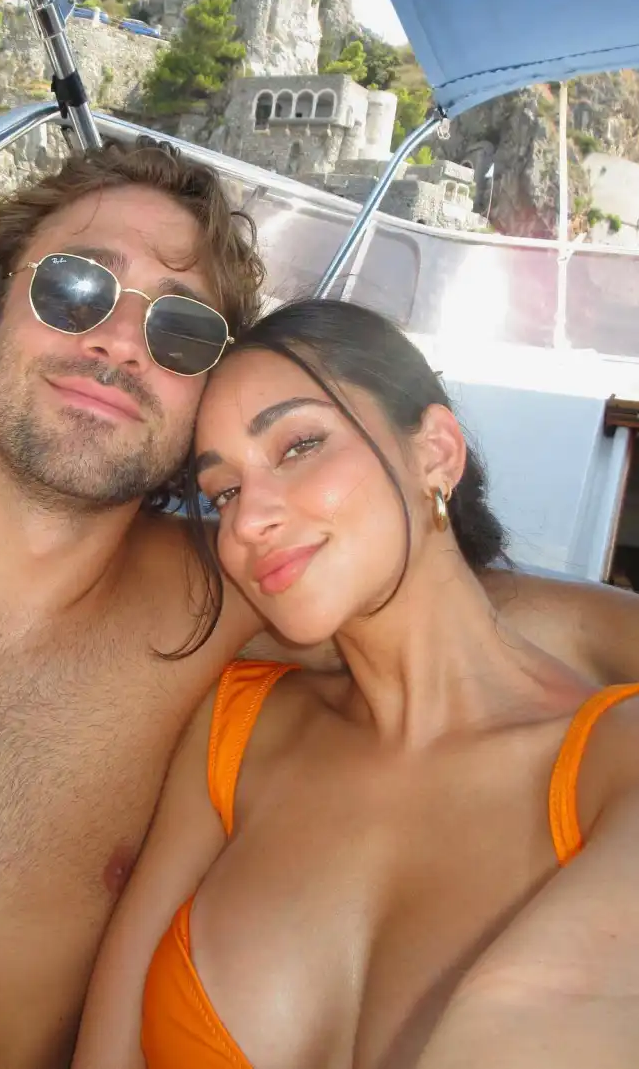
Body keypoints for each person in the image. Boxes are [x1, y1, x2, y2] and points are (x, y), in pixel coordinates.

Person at [0, 147, 635, 1069]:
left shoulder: (235, 597)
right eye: (76, 287)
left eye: (181, 326)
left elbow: (477, 609)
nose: (120, 339)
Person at [71, 296, 639, 1069]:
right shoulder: (237, 732)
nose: (246, 522)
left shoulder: (615, 762)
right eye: (225, 491)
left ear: (436, 452)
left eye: (300, 444)